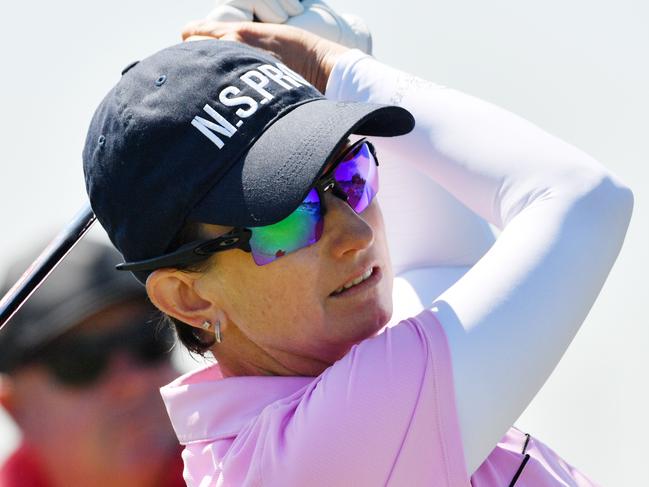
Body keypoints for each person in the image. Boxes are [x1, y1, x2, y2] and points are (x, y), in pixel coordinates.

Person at [80, 18, 633, 487]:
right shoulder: (320, 454)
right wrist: (336, 67)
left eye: (351, 174)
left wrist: (328, 72)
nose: (355, 234)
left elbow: (443, 265)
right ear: (187, 295)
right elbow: (583, 199)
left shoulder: (310, 404)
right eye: (286, 217)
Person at [0, 239, 184, 487]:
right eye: (81, 361)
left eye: (150, 339)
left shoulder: (249, 469)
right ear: (14, 407)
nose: (134, 384)